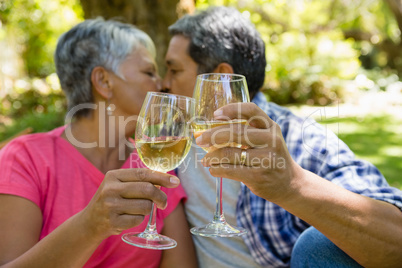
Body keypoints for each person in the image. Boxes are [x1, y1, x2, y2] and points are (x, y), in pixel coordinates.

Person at [162, 6, 402, 268]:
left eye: (174, 70)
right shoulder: (171, 137)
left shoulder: (299, 140)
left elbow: (395, 240)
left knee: (316, 245)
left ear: (221, 78)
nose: (163, 83)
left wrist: (292, 185)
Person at [0, 18, 197, 268]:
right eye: (149, 72)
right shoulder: (25, 158)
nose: (163, 85)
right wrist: (91, 226)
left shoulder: (155, 160)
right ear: (103, 81)